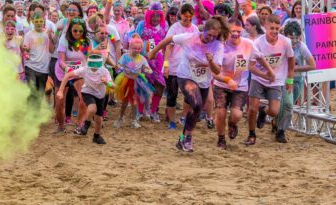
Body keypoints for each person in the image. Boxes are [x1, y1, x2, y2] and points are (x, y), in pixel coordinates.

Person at [148, 17, 229, 153]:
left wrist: (210, 61)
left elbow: (217, 70)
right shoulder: (189, 38)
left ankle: (182, 138)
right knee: (196, 103)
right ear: (204, 29)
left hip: (203, 80)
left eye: (214, 36)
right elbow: (169, 40)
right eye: (208, 34)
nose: (210, 38)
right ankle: (188, 138)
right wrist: (154, 52)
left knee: (197, 109)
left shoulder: (218, 46)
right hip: (185, 76)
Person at [212, 20, 272, 150]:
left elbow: (260, 57)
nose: (235, 34)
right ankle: (221, 138)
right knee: (220, 113)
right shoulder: (220, 46)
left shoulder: (248, 44)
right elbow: (214, 73)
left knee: (237, 115)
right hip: (221, 84)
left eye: (238, 31)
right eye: (232, 31)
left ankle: (232, 123)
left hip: (240, 86)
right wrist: (227, 79)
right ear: (227, 31)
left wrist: (270, 71)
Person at [246, 14, 294, 146]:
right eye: (271, 28)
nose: (274, 31)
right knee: (252, 108)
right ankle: (251, 134)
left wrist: (289, 81)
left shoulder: (286, 42)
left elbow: (291, 63)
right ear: (265, 27)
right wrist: (265, 76)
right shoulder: (258, 43)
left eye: (276, 28)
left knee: (274, 111)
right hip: (259, 79)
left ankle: (264, 111)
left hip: (276, 80)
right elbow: (251, 67)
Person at [273, 21, 316, 142]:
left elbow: (313, 65)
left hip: (297, 79)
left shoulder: (301, 46)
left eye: (297, 38)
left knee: (287, 105)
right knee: (287, 105)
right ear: (285, 36)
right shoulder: (279, 44)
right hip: (282, 80)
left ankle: (277, 124)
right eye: (291, 38)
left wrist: (294, 68)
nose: (294, 41)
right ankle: (281, 131)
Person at [57, 52, 113, 145]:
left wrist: (107, 82)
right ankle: (85, 125)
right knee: (92, 108)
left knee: (99, 119)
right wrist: (61, 90)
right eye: (92, 65)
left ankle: (96, 136)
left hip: (100, 95)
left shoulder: (104, 71)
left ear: (100, 64)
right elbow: (68, 75)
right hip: (87, 92)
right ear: (88, 63)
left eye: (96, 65)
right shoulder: (85, 69)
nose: (94, 67)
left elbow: (113, 86)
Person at [114, 36, 154, 129]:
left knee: (135, 102)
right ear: (130, 47)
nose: (137, 50)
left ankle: (134, 120)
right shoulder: (125, 56)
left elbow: (145, 67)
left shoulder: (142, 58)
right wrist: (119, 67)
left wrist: (148, 70)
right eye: (134, 48)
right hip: (126, 81)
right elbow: (119, 64)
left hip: (137, 82)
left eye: (139, 48)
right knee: (125, 101)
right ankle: (120, 117)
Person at [22, 10, 56, 102]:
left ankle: (36, 113)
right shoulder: (28, 35)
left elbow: (52, 50)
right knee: (33, 90)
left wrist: (49, 37)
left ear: (44, 22)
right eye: (36, 21)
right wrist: (26, 52)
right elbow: (25, 50)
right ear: (33, 22)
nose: (39, 23)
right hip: (31, 66)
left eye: (41, 21)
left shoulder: (48, 34)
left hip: (43, 68)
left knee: (40, 93)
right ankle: (31, 113)